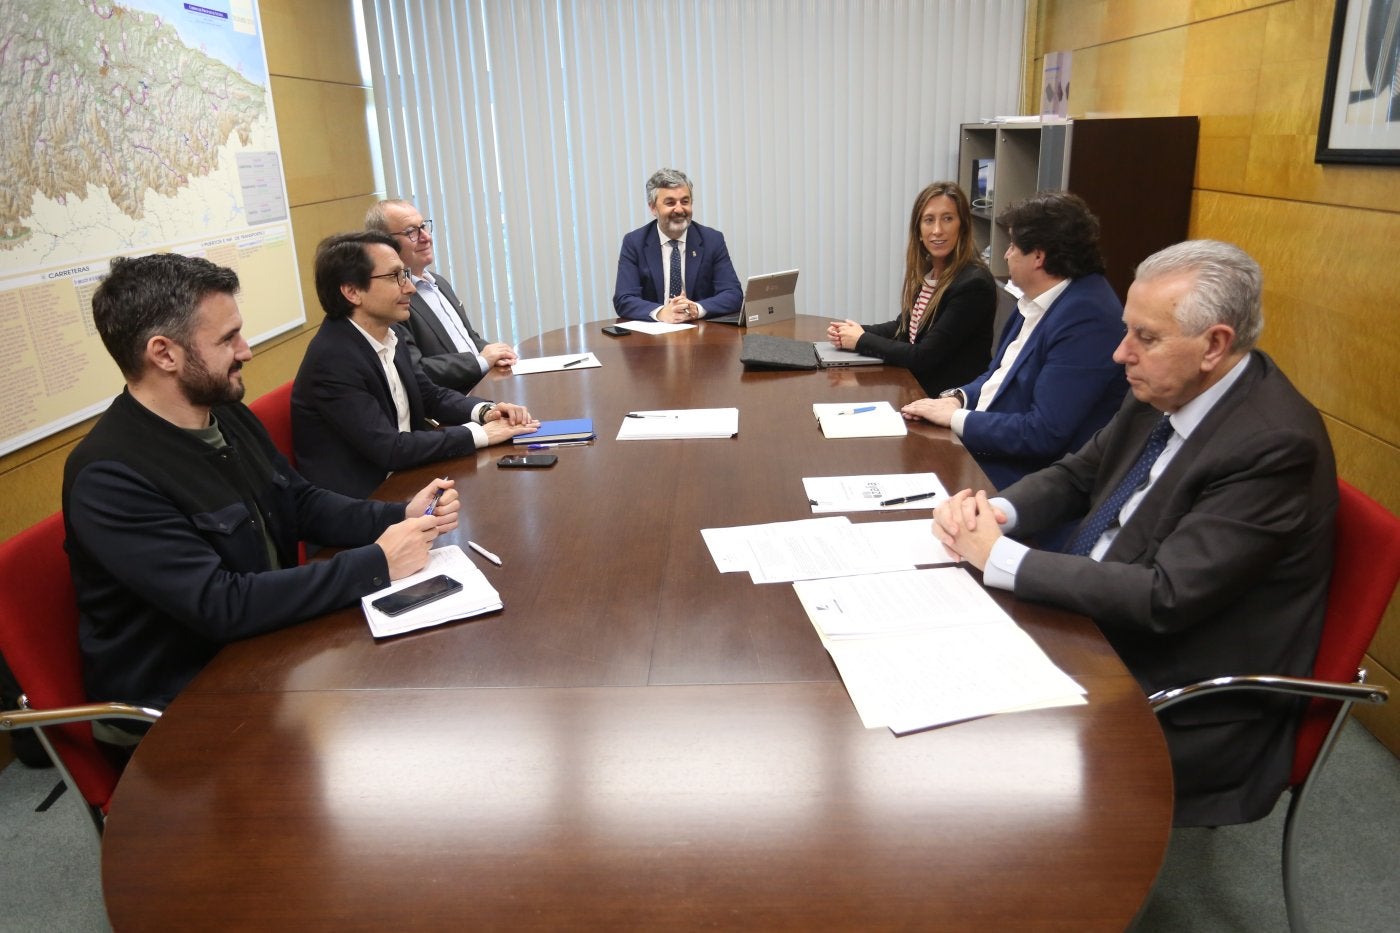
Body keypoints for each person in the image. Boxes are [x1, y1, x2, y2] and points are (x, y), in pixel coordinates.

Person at [931, 240, 1337, 828]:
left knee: (964, 744)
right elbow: (1079, 473)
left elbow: (1164, 596)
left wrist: (1004, 561)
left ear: (1214, 345)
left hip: (1174, 687)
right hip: (1096, 623)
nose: (1121, 353)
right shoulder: (1165, 386)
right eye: (1128, 331)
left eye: (1145, 337)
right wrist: (995, 514)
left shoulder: (1273, 445)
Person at [62, 252, 461, 731]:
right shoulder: (109, 478)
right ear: (164, 354)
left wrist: (396, 517)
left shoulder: (224, 414)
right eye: (228, 338)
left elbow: (298, 500)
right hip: (184, 709)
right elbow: (220, 605)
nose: (246, 350)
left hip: (268, 648)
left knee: (423, 689)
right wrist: (377, 562)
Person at [901, 191, 1126, 490]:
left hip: (1027, 479)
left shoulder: (1087, 318)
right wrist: (957, 397)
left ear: (1038, 256)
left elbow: (1043, 433)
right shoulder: (1039, 297)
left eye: (1012, 246)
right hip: (990, 444)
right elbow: (999, 375)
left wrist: (958, 418)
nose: (1006, 254)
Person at [292, 232, 539, 499]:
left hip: (409, 479)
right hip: (369, 504)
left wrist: (485, 412)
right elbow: (389, 447)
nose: (409, 287)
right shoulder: (333, 359)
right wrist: (480, 435)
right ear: (352, 292)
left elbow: (428, 395)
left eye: (405, 274)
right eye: (395, 277)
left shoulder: (390, 333)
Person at [827, 182, 996, 395]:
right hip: (917, 391)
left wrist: (861, 340)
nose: (937, 230)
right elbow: (903, 327)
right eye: (929, 220)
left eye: (947, 218)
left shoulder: (973, 285)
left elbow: (924, 356)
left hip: (946, 401)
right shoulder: (929, 274)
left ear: (962, 227)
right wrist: (852, 331)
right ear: (918, 231)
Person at [365, 198, 517, 391]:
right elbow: (416, 369)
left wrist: (498, 354)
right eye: (411, 232)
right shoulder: (391, 302)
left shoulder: (438, 282)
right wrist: (480, 361)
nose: (425, 237)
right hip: (451, 404)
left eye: (423, 227)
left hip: (485, 386)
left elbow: (467, 337)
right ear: (384, 243)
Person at [612, 168, 743, 322]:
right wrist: (661, 313)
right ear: (653, 208)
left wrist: (696, 309)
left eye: (685, 202)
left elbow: (733, 294)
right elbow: (624, 299)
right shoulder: (634, 243)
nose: (679, 209)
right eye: (670, 203)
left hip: (701, 333)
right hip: (652, 337)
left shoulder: (712, 240)